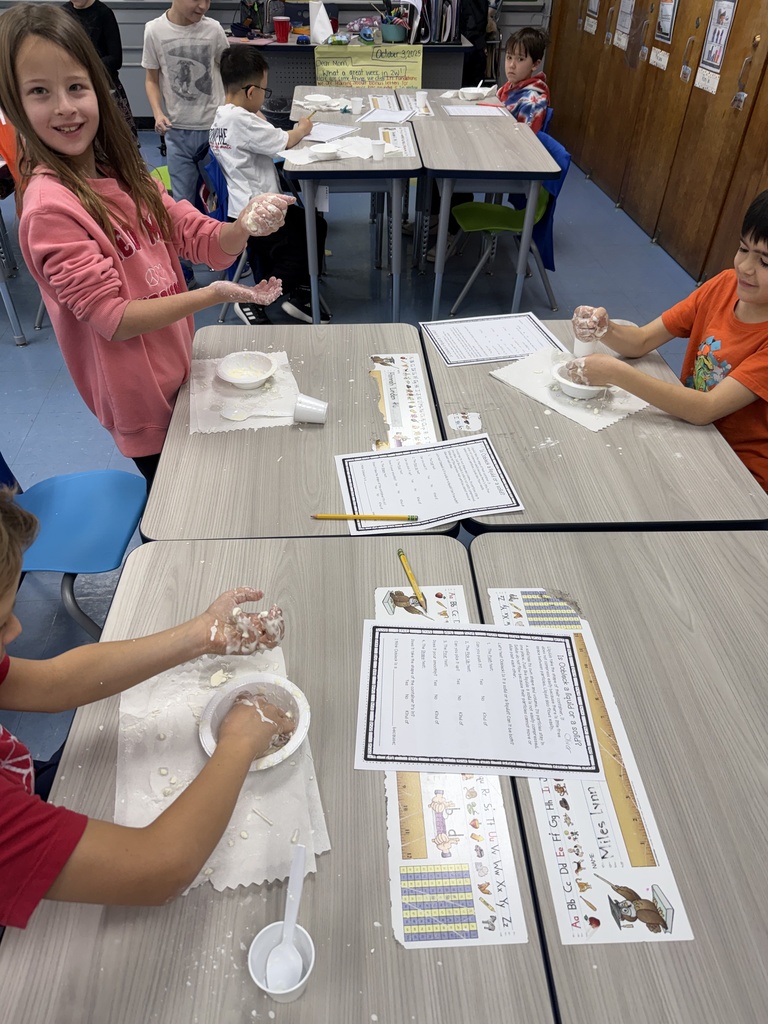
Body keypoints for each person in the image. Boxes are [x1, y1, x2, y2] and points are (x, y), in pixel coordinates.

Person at [0, 4, 292, 490]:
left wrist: (241, 225)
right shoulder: (51, 210)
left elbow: (192, 233)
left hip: (178, 366)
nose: (65, 107)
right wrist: (213, 295)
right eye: (39, 93)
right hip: (139, 399)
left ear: (98, 85)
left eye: (76, 86)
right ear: (12, 104)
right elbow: (113, 318)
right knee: (184, 503)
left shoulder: (121, 170)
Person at [0, 488, 295, 930]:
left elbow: (52, 684)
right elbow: (159, 870)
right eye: (2, 620)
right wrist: (240, 742)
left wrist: (201, 635)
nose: (20, 627)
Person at [567, 190, 768, 492]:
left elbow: (706, 409)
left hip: (738, 472)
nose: (745, 267)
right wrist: (604, 329)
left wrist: (615, 373)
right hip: (689, 432)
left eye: (765, 261)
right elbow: (642, 339)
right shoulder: (723, 286)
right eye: (743, 249)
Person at [210, 46, 331, 326]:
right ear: (251, 92)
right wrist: (303, 127)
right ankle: (254, 297)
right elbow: (284, 141)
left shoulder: (222, 116)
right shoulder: (241, 120)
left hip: (242, 207)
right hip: (260, 211)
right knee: (309, 234)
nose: (266, 95)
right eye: (265, 90)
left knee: (313, 226)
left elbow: (259, 132)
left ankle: (300, 294)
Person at [142, 0, 229, 288]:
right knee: (181, 202)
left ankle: (224, 257)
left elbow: (227, 76)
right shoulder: (154, 31)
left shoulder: (214, 30)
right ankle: (184, 268)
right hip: (178, 131)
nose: (203, 6)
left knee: (219, 196)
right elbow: (152, 79)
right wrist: (157, 112)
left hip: (214, 129)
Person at [62, 0, 137, 139]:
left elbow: (115, 59)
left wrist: (86, 68)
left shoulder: (104, 13)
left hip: (104, 86)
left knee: (118, 139)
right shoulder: (63, 13)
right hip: (73, 87)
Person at [497, 27, 550, 134]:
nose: (512, 65)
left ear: (535, 64)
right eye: (509, 57)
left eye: (520, 59)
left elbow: (525, 140)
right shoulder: (509, 86)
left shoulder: (533, 101)